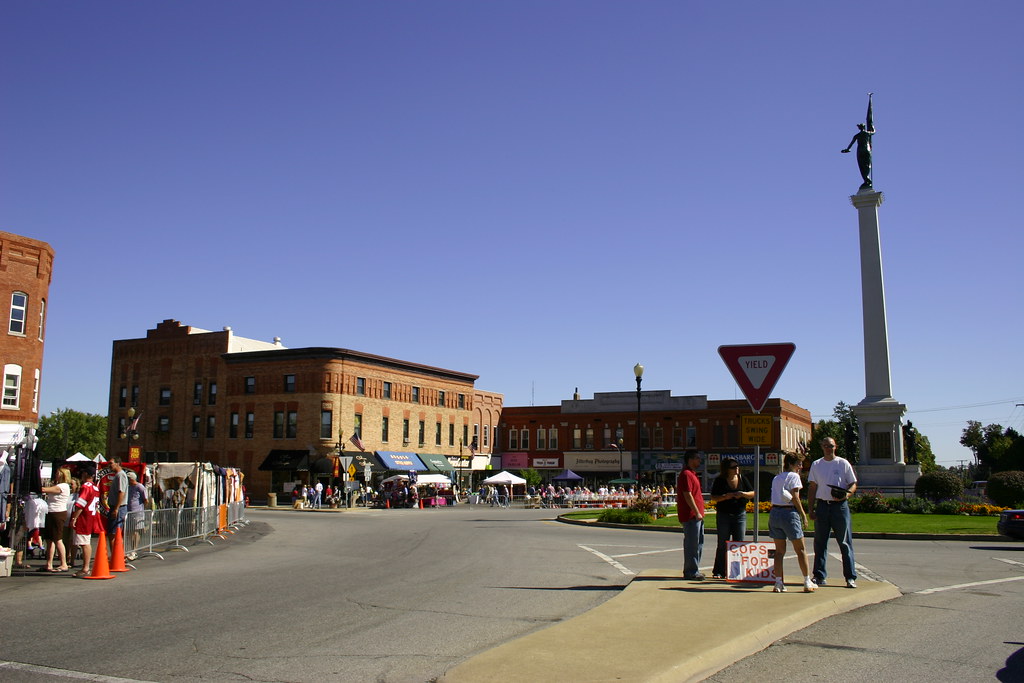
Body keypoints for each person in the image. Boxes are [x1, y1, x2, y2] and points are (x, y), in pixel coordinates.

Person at [808, 437, 859, 588]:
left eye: (830, 446)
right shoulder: (816, 464)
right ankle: (819, 576)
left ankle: (850, 577)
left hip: (839, 507)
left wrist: (846, 495)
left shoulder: (842, 463)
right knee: (820, 542)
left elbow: (853, 483)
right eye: (825, 446)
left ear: (835, 447)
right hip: (822, 505)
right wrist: (810, 509)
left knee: (844, 542)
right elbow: (812, 487)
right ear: (821, 447)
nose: (828, 448)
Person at [769, 453, 815, 593]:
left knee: (779, 551)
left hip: (775, 513)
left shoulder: (776, 478)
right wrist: (803, 514)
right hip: (789, 513)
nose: (800, 467)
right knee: (800, 549)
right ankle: (807, 581)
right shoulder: (794, 476)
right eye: (798, 464)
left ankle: (778, 582)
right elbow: (795, 497)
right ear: (790, 464)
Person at [709, 458, 754, 579]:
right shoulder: (720, 480)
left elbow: (752, 493)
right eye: (733, 467)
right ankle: (719, 571)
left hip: (740, 514)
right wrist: (725, 497)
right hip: (724, 515)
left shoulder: (742, 478)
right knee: (722, 544)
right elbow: (714, 497)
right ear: (727, 469)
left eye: (737, 466)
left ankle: (736, 570)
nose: (736, 469)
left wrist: (742, 494)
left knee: (738, 543)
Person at [676, 450, 705, 580]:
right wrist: (696, 511)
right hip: (691, 515)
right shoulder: (686, 474)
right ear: (690, 459)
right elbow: (687, 494)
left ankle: (695, 569)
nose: (699, 460)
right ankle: (691, 572)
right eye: (697, 458)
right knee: (692, 545)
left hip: (697, 515)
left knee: (698, 544)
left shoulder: (692, 474)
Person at [68, 465, 103, 578]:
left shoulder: (86, 487)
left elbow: (81, 504)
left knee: (84, 542)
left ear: (86, 474)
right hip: (91, 515)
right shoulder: (95, 487)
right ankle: (85, 567)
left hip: (84, 517)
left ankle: (85, 568)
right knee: (84, 541)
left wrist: (75, 517)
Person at [39, 467, 72, 572]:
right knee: (50, 539)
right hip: (51, 512)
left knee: (58, 539)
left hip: (57, 513)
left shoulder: (63, 486)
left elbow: (44, 490)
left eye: (58, 473)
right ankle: (49, 564)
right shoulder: (59, 485)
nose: (56, 475)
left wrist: (37, 484)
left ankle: (64, 563)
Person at [103, 457, 129, 554]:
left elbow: (121, 492)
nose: (109, 465)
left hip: (118, 507)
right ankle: (117, 556)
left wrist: (116, 508)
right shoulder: (118, 475)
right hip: (115, 507)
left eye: (111, 463)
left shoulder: (121, 475)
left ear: (118, 463)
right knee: (113, 533)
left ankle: (116, 557)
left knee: (114, 533)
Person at [126, 470, 148, 560]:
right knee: (130, 531)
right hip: (129, 512)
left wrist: (142, 509)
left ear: (131, 479)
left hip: (137, 512)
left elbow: (145, 499)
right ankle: (131, 549)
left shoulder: (140, 487)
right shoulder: (128, 487)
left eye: (128, 479)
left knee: (136, 531)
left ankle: (134, 550)